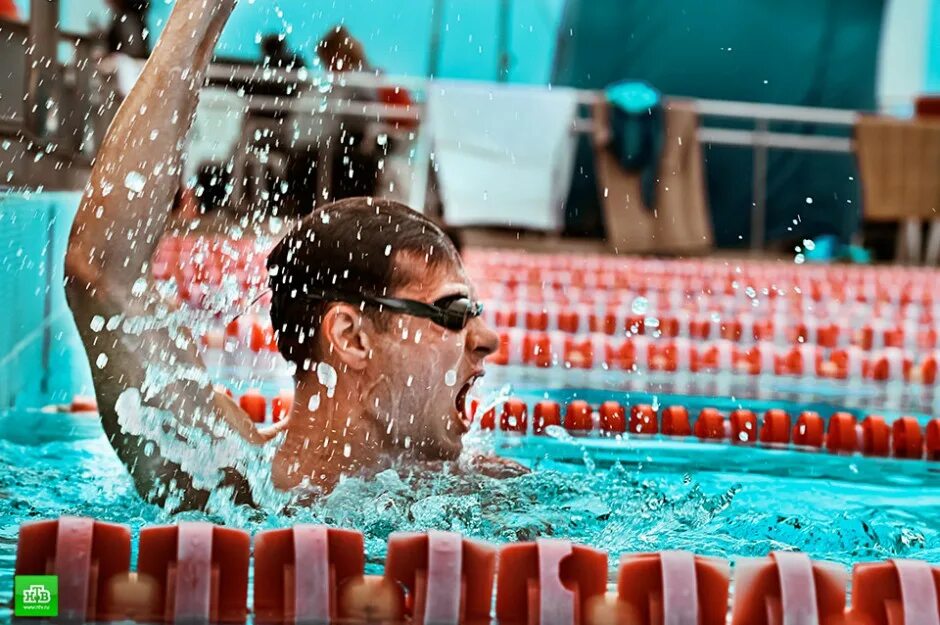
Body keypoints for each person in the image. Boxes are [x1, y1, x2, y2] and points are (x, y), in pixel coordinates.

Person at [64, 0, 506, 512]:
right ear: (350, 337)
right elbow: (99, 273)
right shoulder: (229, 475)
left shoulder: (485, 492)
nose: (488, 340)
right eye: (452, 313)